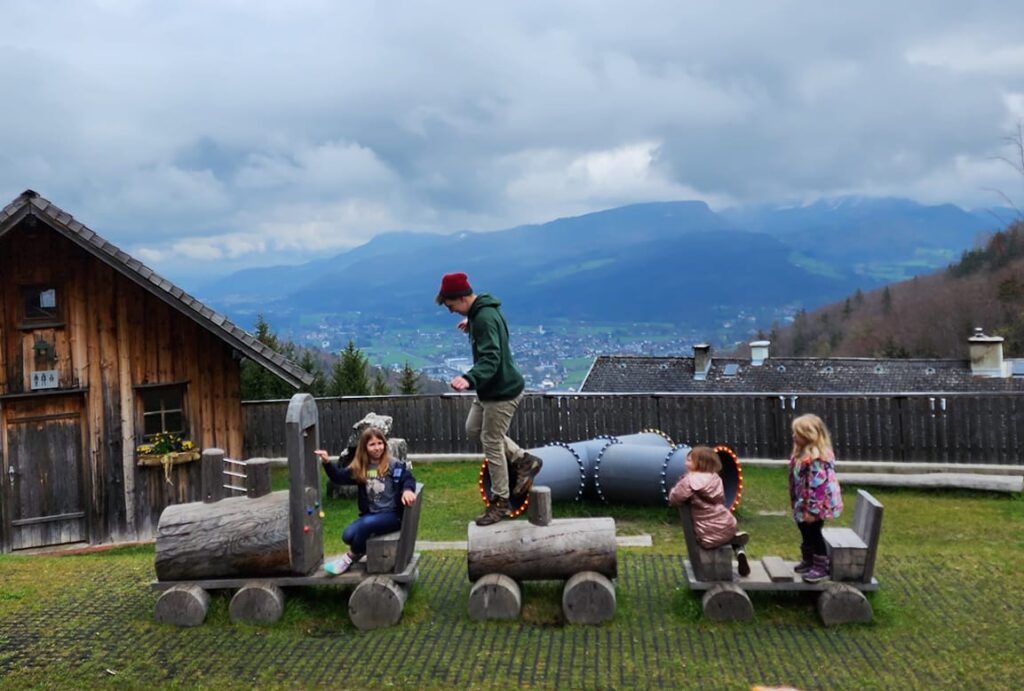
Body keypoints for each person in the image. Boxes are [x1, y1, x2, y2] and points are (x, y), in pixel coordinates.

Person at [435, 271, 543, 525]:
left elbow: (492, 358)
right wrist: (470, 326)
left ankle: (500, 502)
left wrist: (469, 378)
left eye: (451, 306)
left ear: (461, 298)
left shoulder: (484, 316)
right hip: (490, 390)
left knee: (491, 441)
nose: (451, 311)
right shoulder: (481, 313)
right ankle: (523, 459)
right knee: (473, 429)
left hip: (501, 391)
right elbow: (489, 335)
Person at [314, 427, 417, 575]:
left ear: (385, 445)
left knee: (365, 526)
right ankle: (360, 549)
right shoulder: (361, 468)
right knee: (348, 536)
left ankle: (349, 558)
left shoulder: (393, 464)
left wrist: (407, 490)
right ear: (364, 447)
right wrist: (326, 462)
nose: (377, 448)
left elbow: (408, 478)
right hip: (371, 514)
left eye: (380, 443)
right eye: (372, 444)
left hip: (392, 515)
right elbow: (338, 477)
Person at [668, 446, 751, 577]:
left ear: (699, 463)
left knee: (722, 537)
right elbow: (721, 498)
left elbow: (674, 498)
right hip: (727, 523)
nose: (685, 463)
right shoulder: (715, 479)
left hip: (707, 533)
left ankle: (737, 548)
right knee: (732, 535)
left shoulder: (689, 482)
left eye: (689, 460)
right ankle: (740, 551)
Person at [788, 413, 844, 583]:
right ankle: (809, 560)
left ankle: (821, 566)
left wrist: (812, 511)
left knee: (814, 532)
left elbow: (818, 488)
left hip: (818, 504)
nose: (793, 436)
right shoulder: (801, 455)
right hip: (804, 501)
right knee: (804, 528)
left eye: (796, 433)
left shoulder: (817, 459)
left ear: (807, 436)